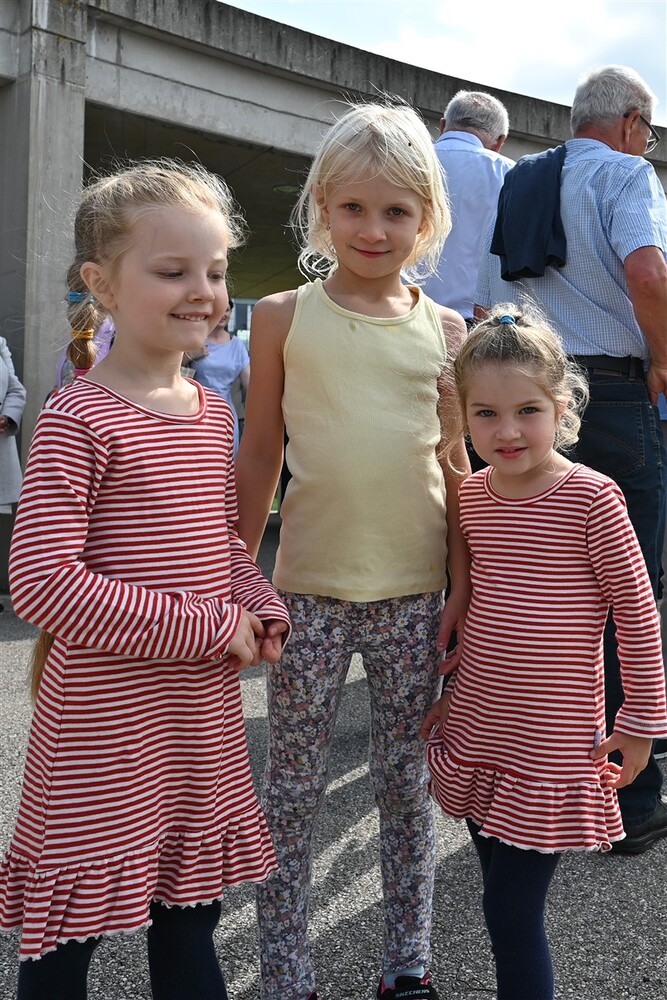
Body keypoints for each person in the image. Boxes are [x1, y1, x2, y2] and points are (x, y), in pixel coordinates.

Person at [0, 159, 291, 1000]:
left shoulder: (211, 411)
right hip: (102, 724)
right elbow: (42, 582)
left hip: (198, 718)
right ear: (102, 284)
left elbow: (217, 544)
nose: (203, 291)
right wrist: (210, 627)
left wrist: (257, 600)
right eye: (172, 271)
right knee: (67, 937)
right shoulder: (79, 417)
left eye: (215, 271)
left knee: (191, 917)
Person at [235, 101, 471, 1000]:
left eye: (396, 211)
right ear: (320, 208)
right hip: (305, 593)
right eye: (353, 208)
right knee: (291, 793)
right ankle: (285, 972)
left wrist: (463, 586)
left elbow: (455, 465)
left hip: (415, 593)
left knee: (404, 789)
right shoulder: (280, 317)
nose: (373, 230)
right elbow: (260, 451)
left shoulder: (446, 330)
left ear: (427, 218)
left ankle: (406, 963)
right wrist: (236, 573)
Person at [423, 307, 667, 1000]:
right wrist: (448, 697)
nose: (506, 432)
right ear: (463, 416)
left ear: (561, 408)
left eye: (526, 411)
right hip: (479, 728)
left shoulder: (592, 499)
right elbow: (478, 610)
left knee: (510, 909)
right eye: (486, 414)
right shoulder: (472, 497)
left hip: (551, 743)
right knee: (497, 898)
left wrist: (640, 723)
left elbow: (636, 615)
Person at [475, 64, 667, 853]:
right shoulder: (626, 174)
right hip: (615, 394)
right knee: (630, 592)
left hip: (535, 398)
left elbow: (490, 301)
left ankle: (529, 777)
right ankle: (633, 795)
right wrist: (664, 355)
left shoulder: (522, 180)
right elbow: (647, 271)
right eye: (647, 130)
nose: (645, 142)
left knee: (534, 595)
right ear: (628, 122)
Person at [421, 90, 514, 327]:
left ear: (443, 125)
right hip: (474, 321)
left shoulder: (408, 159)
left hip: (402, 312)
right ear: (500, 142)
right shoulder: (511, 174)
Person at [187, 297, 250, 457]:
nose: (223, 314)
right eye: (221, 309)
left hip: (225, 413)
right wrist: (191, 356)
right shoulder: (196, 340)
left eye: (227, 310)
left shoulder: (237, 346)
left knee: (224, 458)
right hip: (195, 410)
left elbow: (250, 384)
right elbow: (170, 368)